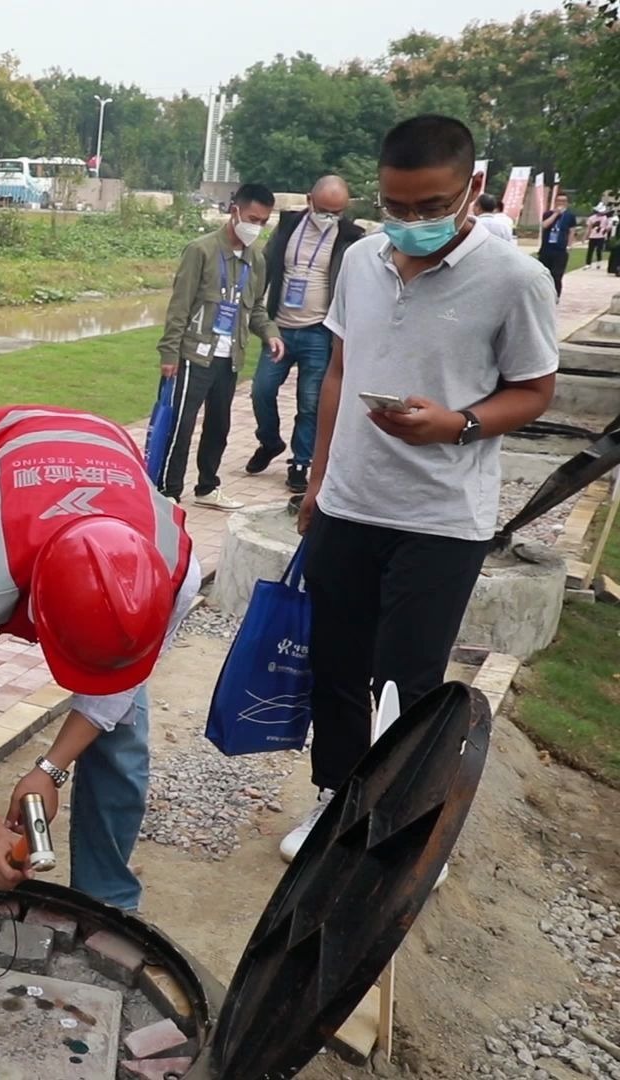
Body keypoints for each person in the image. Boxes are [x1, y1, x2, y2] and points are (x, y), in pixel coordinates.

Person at [289, 115, 557, 863]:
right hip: (349, 504)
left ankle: (399, 833)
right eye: (396, 207)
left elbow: (535, 390)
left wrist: (460, 423)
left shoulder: (515, 279)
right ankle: (334, 805)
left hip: (441, 517)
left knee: (405, 684)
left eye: (429, 208)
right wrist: (317, 482)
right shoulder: (362, 261)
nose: (410, 224)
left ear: (471, 189)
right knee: (336, 666)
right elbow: (340, 370)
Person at [0, 405, 201, 910]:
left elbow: (117, 693)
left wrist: (51, 768)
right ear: (35, 616)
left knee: (124, 729)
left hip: (103, 459)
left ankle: (107, 904)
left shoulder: (173, 572)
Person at [154, 182, 284, 510]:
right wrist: (170, 352)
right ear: (234, 211)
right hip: (194, 354)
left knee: (219, 425)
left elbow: (254, 308)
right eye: (252, 218)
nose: (256, 227)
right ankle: (168, 491)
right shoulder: (201, 250)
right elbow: (179, 306)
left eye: (263, 222)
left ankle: (208, 486)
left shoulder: (257, 258)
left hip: (230, 356)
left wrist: (270, 333)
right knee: (181, 425)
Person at [249, 175, 365, 495]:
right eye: (324, 210)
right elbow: (265, 264)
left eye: (336, 212)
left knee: (311, 402)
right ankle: (270, 441)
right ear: (309, 200)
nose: (329, 217)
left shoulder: (350, 238)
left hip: (319, 332)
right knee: (261, 390)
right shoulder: (288, 227)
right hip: (281, 329)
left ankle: (301, 461)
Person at [537, 192, 575, 300]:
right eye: (559, 201)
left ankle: (555, 296)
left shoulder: (570, 216)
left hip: (560, 250)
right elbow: (544, 225)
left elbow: (571, 231)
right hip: (547, 249)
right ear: (555, 202)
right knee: (543, 274)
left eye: (563, 201)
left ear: (567, 203)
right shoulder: (548, 214)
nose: (561, 203)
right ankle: (542, 296)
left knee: (557, 275)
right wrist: (555, 214)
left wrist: (569, 245)